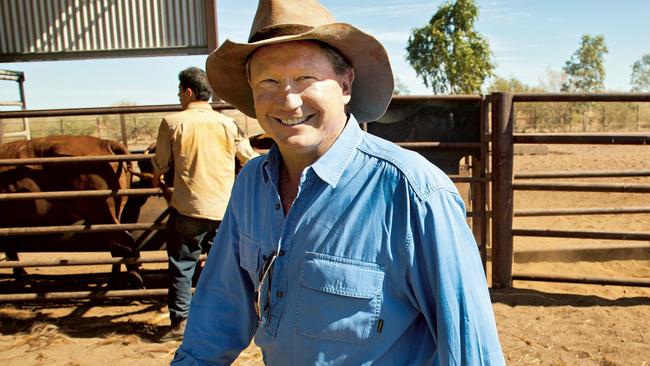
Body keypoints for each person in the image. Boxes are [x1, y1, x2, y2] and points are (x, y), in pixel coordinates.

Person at [172, 0, 505, 364]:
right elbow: (216, 314)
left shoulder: (413, 194)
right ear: (251, 92)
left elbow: (473, 352)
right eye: (268, 81)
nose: (288, 99)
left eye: (306, 78)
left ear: (345, 85)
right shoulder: (253, 184)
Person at [151, 67, 258, 341]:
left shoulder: (172, 122)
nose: (178, 96)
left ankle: (180, 324)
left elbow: (161, 163)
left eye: (179, 91)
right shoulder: (228, 124)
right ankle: (229, 319)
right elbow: (248, 159)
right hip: (224, 210)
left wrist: (157, 175)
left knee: (181, 266)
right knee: (227, 268)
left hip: (188, 208)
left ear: (188, 91)